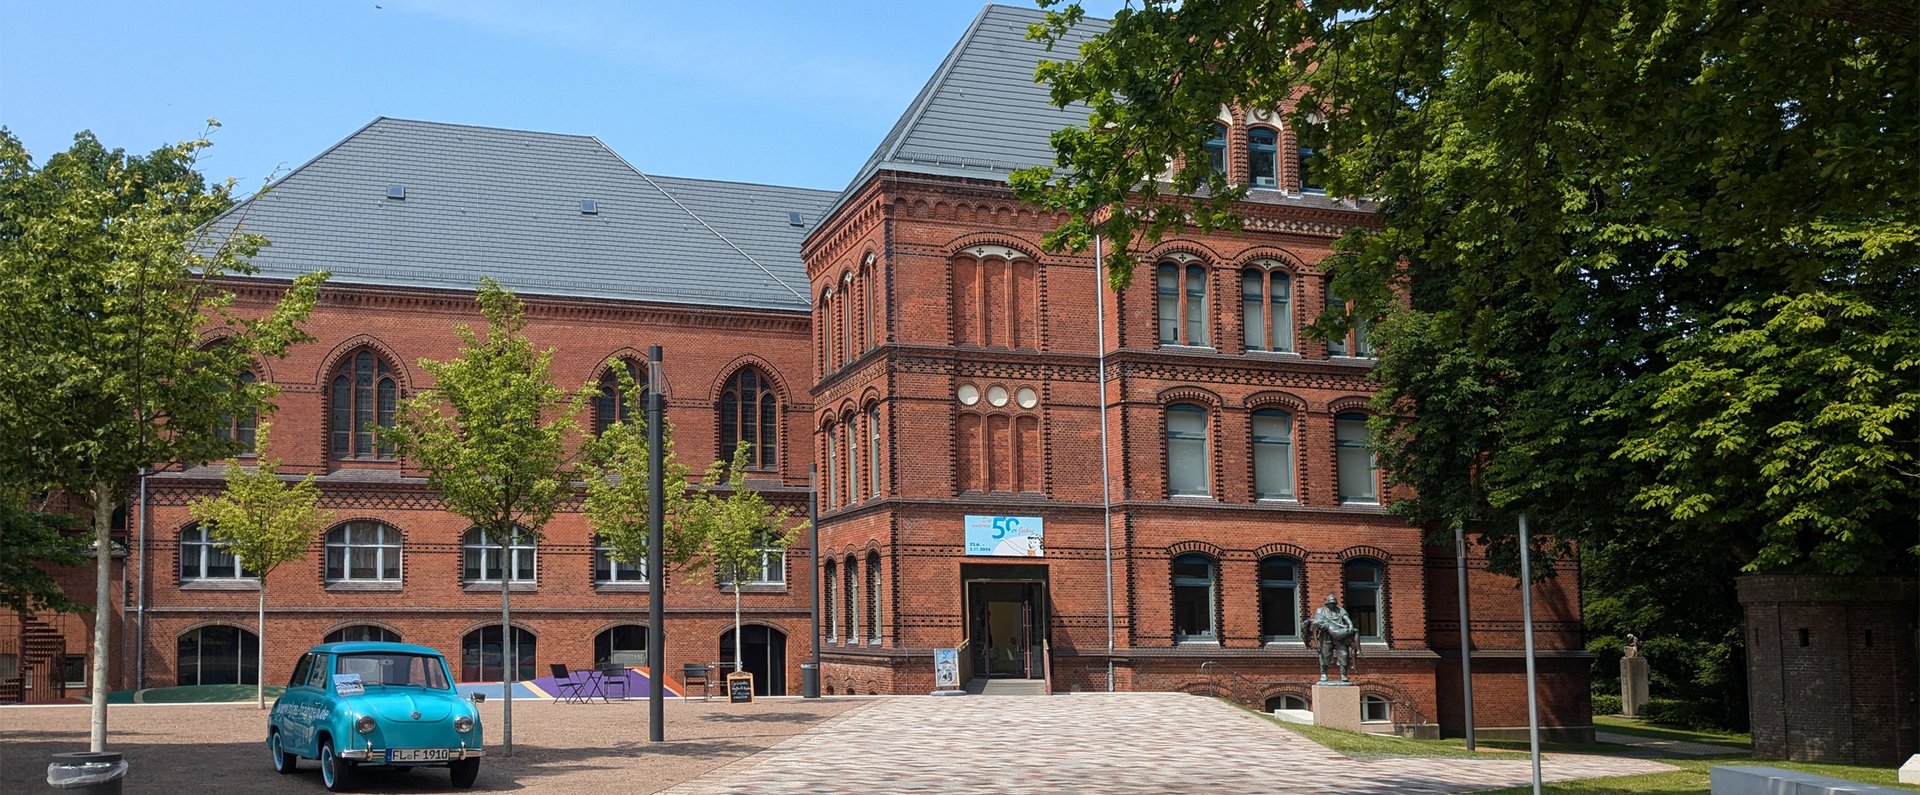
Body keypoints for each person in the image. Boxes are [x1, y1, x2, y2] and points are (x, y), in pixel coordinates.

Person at [1309, 594, 1359, 682]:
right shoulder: (1321, 611)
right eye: (1330, 603)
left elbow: (1346, 619)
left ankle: (1343, 674)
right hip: (1326, 636)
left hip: (1339, 636)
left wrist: (1350, 625)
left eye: (1334, 603)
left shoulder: (1340, 610)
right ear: (1327, 603)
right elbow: (1317, 623)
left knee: (1344, 654)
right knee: (1324, 655)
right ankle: (1323, 673)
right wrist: (1323, 626)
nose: (1332, 605)